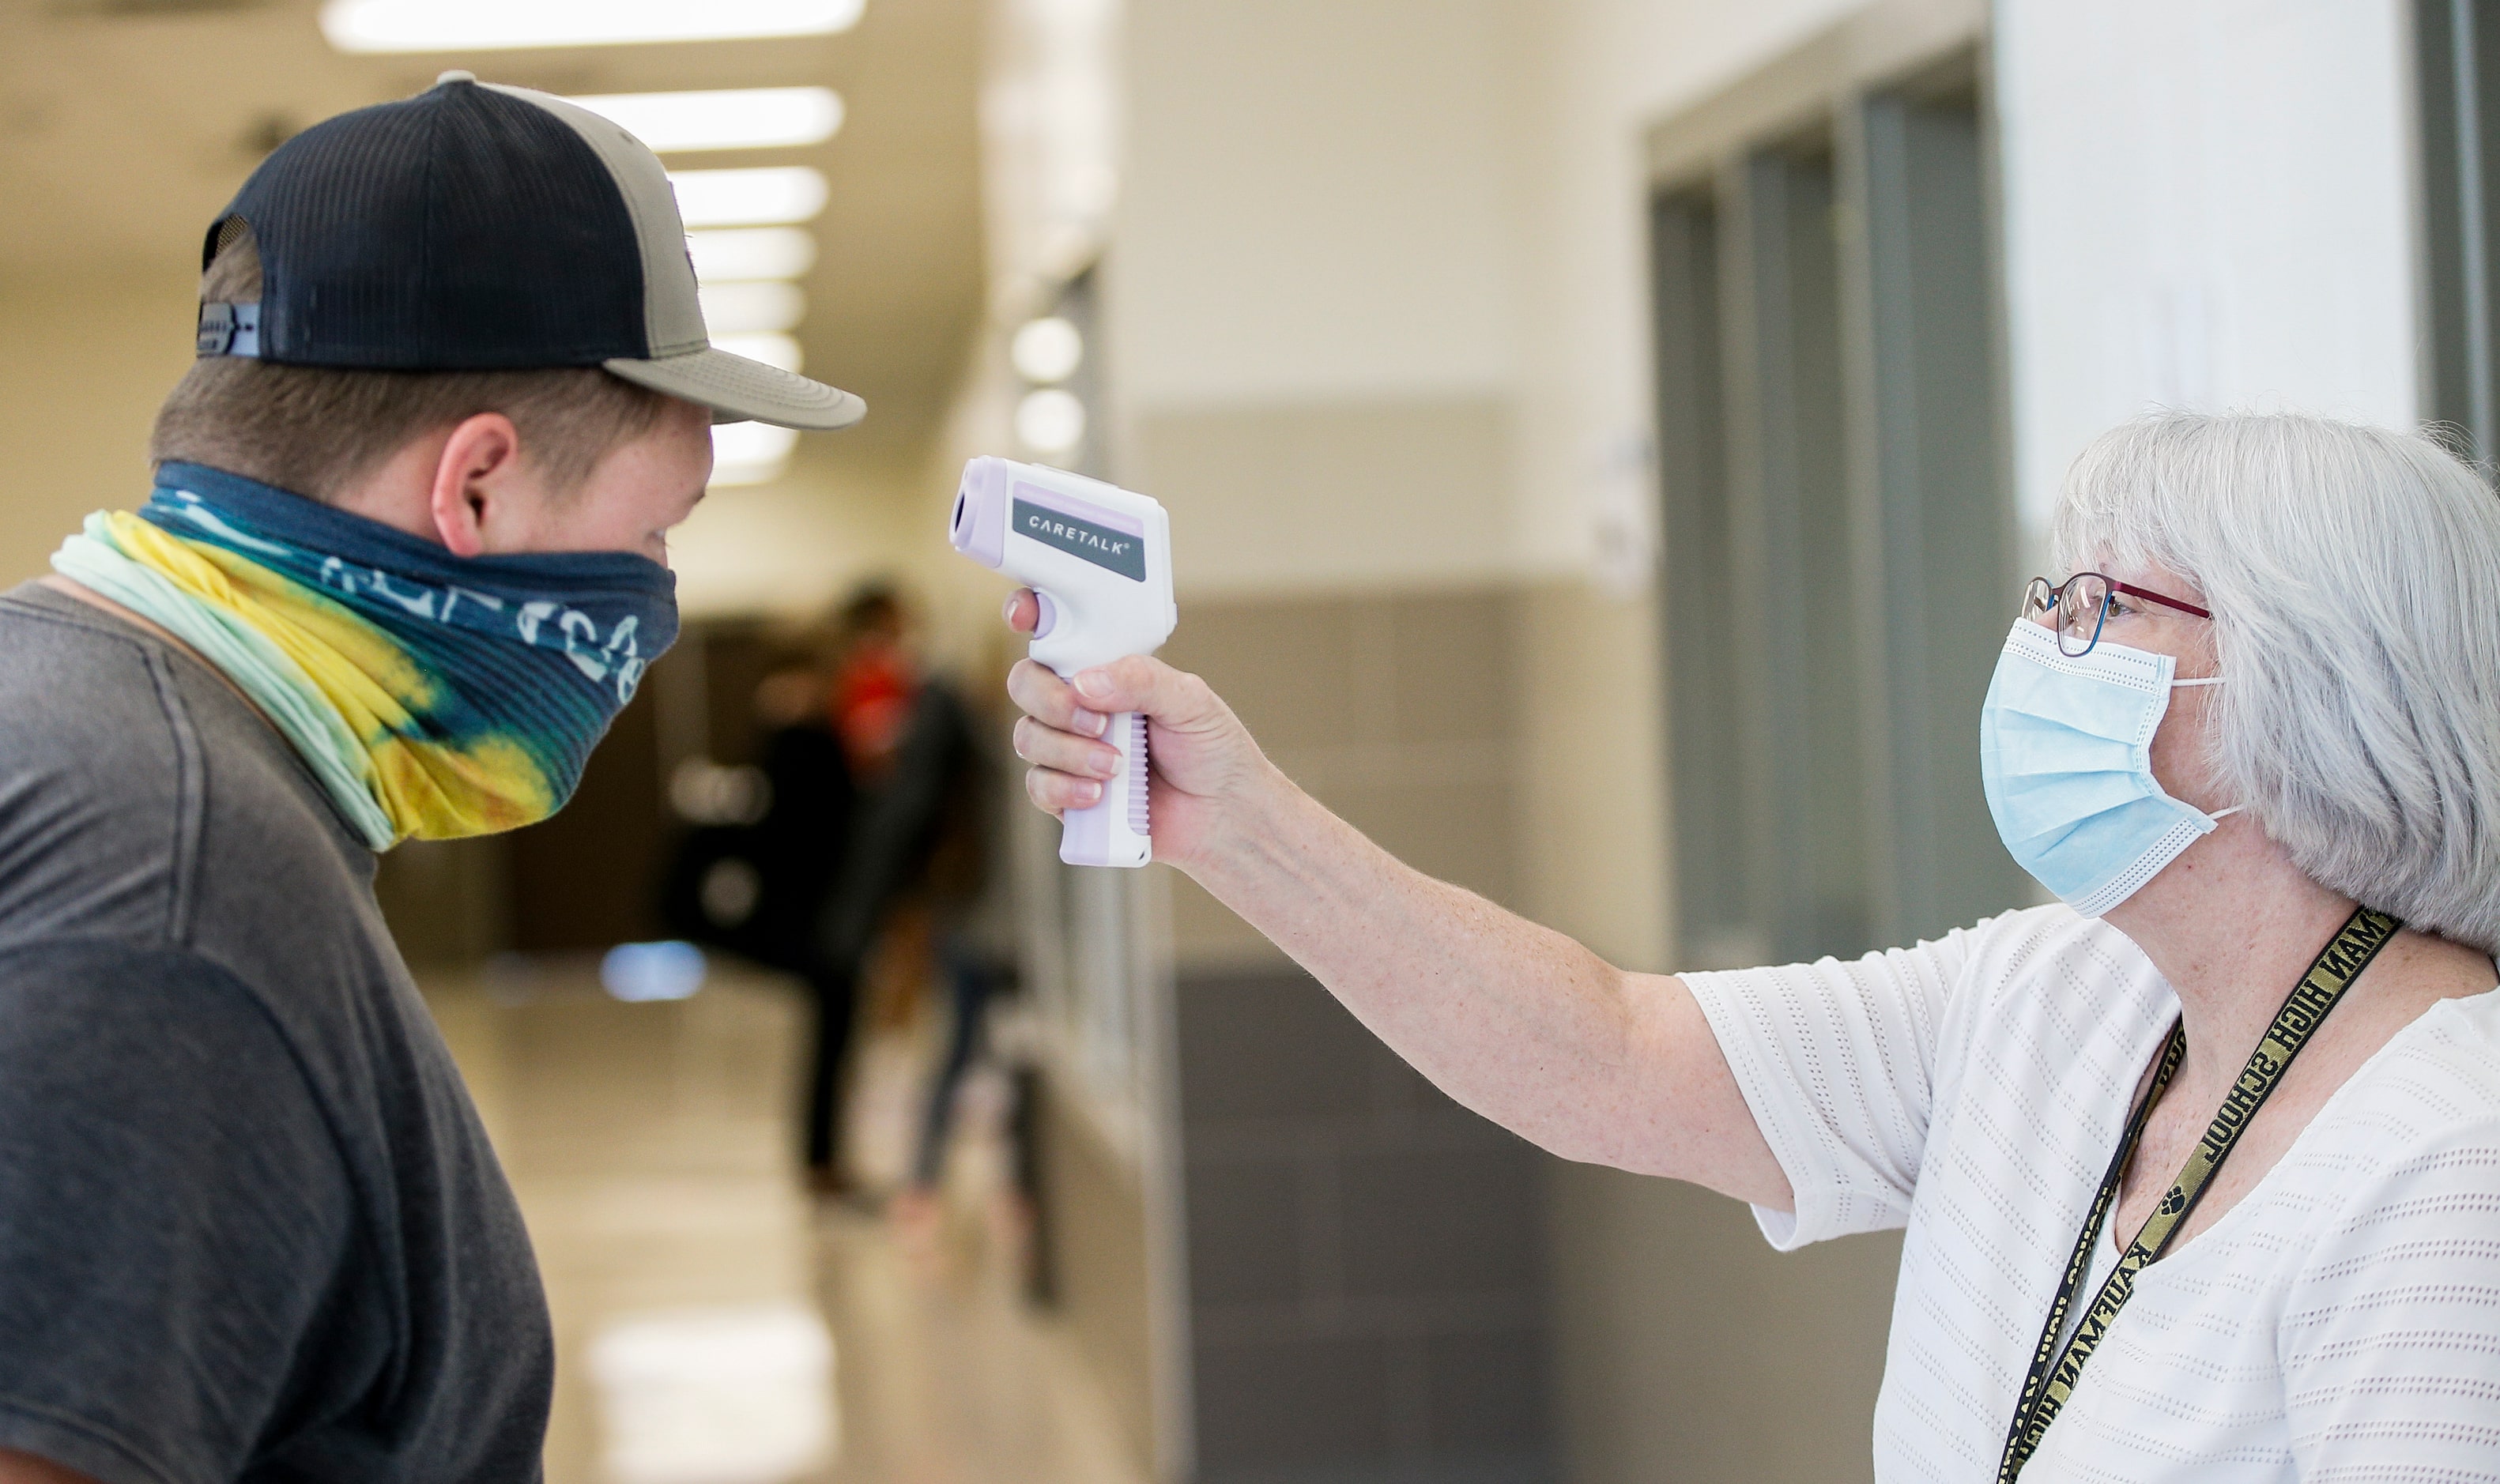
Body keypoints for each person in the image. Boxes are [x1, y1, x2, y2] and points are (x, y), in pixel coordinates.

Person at [1001, 412, 2500, 1481]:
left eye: (2100, 605)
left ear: (2302, 695)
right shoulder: (2070, 995)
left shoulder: (2444, 1169)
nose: (2039, 639)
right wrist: (1237, 819)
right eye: (2050, 593)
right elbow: (1610, 1053)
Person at [0, 74, 864, 1482]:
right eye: (658, 526)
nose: (656, 592)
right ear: (475, 488)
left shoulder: (74, 711)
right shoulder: (174, 891)